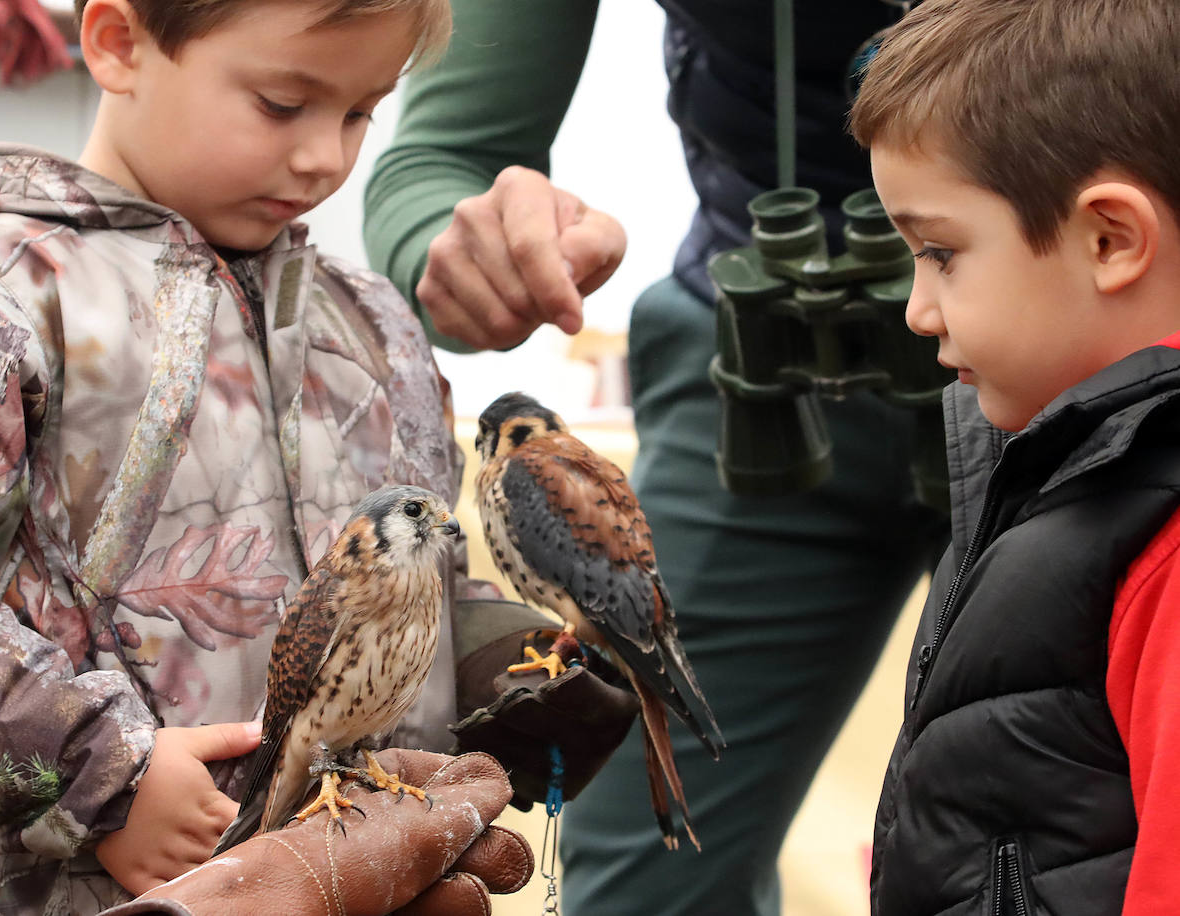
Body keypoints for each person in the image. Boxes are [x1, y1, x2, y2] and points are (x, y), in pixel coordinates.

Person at [0, 0, 544, 911]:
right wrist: (106, 773)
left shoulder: (377, 331)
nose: (324, 155)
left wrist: (507, 669)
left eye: (362, 112)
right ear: (119, 44)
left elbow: (431, 576)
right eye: (284, 104)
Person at [363, 3, 950, 914]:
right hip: (758, 376)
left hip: (1104, 358)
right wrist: (465, 248)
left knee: (1036, 814)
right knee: (648, 863)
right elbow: (445, 157)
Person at [848, 0, 1180, 912]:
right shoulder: (1055, 472)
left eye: (941, 254)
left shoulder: (1163, 541)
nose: (917, 309)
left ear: (1109, 239)